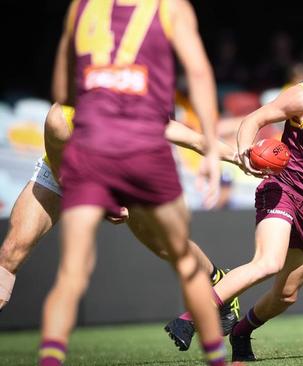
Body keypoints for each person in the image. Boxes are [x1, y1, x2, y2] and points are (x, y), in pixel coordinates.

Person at [164, 21, 303, 362]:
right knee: (268, 262)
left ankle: (241, 331)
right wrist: (247, 152)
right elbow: (253, 119)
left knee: (287, 295)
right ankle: (192, 317)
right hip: (283, 187)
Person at [38, 1, 226, 365]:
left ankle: (50, 359)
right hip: (143, 148)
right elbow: (200, 73)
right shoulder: (171, 7)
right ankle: (217, 358)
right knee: (186, 265)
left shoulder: (82, 7)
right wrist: (213, 153)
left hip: (92, 147)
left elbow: (62, 87)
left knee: (72, 272)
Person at [0, 104, 241, 337]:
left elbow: (197, 141)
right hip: (66, 173)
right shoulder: (60, 117)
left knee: (166, 246)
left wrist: (240, 157)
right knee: (11, 251)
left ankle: (217, 278)